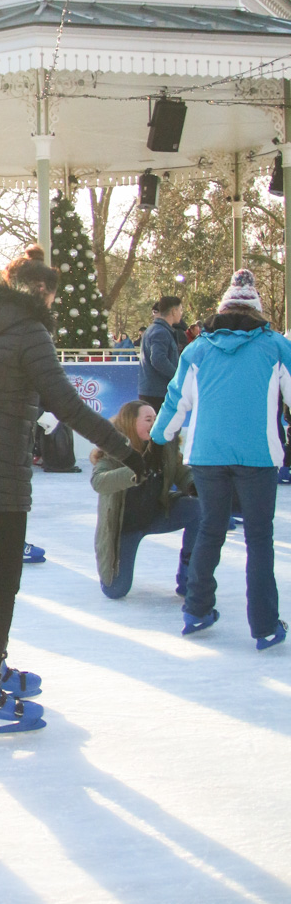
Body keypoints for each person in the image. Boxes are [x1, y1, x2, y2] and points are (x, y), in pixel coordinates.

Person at [0, 244, 143, 734]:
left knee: (0, 575)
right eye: (52, 298)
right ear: (42, 292)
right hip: (0, 464)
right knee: (3, 580)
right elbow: (68, 405)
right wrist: (125, 448)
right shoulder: (31, 332)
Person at [150, 268, 291, 647]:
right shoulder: (276, 346)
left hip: (207, 455)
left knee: (212, 528)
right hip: (257, 455)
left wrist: (160, 433)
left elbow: (177, 398)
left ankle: (196, 610)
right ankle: (263, 625)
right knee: (259, 537)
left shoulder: (198, 349)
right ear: (257, 311)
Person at [91, 401, 201, 600]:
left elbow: (179, 471)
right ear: (130, 423)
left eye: (156, 419)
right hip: (125, 526)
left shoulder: (163, 444)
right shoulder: (113, 449)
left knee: (199, 509)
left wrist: (192, 484)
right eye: (148, 419)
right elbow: (99, 482)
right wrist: (134, 472)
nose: (154, 423)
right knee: (115, 590)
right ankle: (112, 572)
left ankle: (189, 577)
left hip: (158, 514)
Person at [138, 297, 183, 409]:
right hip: (158, 393)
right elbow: (158, 359)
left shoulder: (155, 329)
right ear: (173, 311)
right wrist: (177, 376)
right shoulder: (160, 332)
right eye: (180, 310)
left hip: (153, 391)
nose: (181, 314)